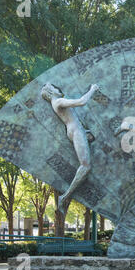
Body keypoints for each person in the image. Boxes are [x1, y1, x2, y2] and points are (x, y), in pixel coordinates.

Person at [41, 83, 98, 215]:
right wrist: (92, 89)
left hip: (76, 130)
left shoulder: (56, 102)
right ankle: (65, 196)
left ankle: (65, 197)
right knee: (85, 166)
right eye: (55, 88)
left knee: (90, 142)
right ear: (51, 92)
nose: (58, 89)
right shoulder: (58, 101)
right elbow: (81, 102)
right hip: (76, 131)